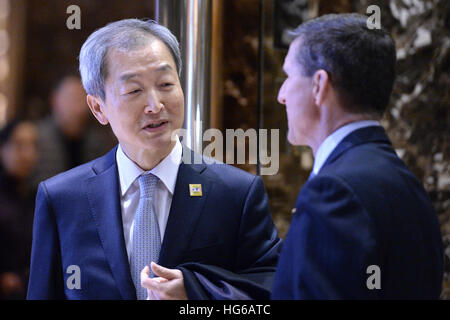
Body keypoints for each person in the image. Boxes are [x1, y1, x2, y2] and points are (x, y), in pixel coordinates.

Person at [27, 19, 281, 300]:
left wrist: (197, 294)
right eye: (134, 90)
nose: (155, 105)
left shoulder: (235, 193)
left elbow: (272, 290)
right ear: (98, 108)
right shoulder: (62, 198)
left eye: (166, 84)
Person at [271, 13, 443, 299]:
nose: (281, 94)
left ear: (318, 86)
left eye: (288, 76)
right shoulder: (406, 182)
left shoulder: (334, 192)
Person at [31, 74, 116, 188]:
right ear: (54, 100)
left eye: (82, 99)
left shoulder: (95, 142)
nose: (78, 107)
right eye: (71, 98)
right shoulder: (37, 138)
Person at [0, 119, 39, 299]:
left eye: (33, 146)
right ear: (2, 148)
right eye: (19, 145)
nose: (28, 154)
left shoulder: (35, 196)